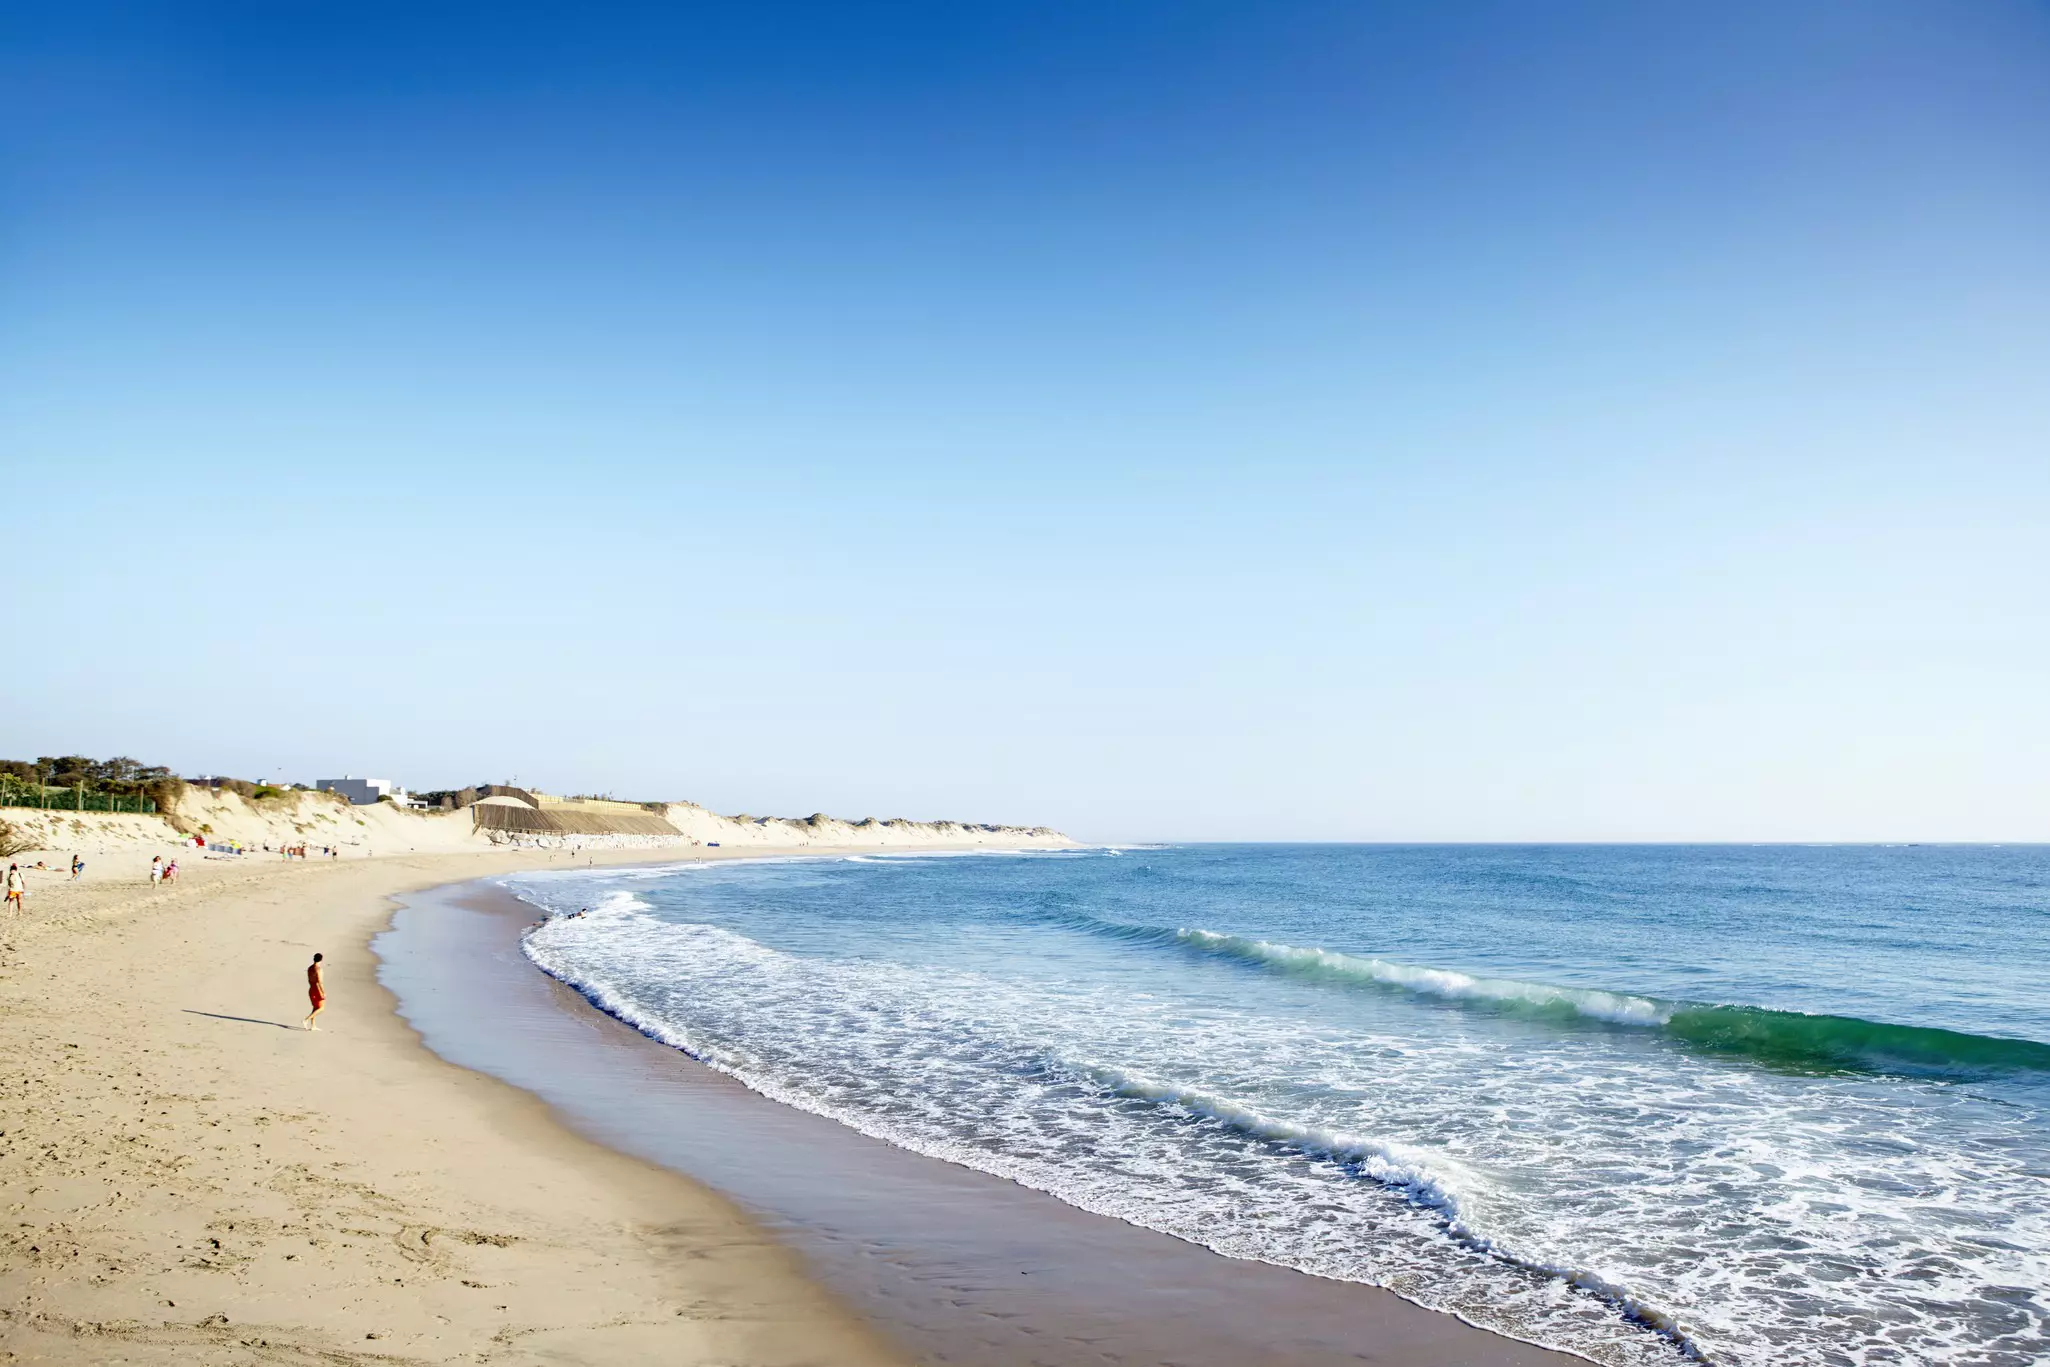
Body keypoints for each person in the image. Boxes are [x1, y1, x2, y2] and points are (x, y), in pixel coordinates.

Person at [303, 953, 326, 1031]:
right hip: (317, 989)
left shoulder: (310, 968)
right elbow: (319, 982)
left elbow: (309, 979)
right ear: (321, 960)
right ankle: (306, 1019)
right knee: (321, 1008)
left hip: (311, 988)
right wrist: (323, 992)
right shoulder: (318, 969)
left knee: (315, 1007)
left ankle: (313, 1025)